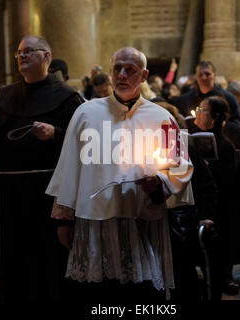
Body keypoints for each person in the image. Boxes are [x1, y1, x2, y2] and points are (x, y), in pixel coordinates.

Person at [46, 47, 193, 302]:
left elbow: (180, 165)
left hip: (141, 218)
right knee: (98, 291)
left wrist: (159, 184)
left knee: (140, 291)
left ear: (144, 75)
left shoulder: (162, 117)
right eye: (117, 69)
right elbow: (69, 167)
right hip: (94, 220)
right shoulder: (86, 113)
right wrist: (63, 219)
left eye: (131, 70)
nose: (122, 75)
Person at [0, 35, 84, 300]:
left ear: (46, 57)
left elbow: (85, 143)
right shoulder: (6, 95)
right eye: (19, 52)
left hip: (49, 190)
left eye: (29, 51)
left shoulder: (67, 97)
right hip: (11, 192)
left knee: (49, 255)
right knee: (14, 254)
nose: (22, 56)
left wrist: (55, 133)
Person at [191, 96, 240, 295]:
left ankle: (220, 280)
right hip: (206, 204)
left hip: (223, 205)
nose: (198, 113)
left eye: (202, 110)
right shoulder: (195, 140)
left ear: (214, 117)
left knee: (219, 250)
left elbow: (226, 177)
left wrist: (206, 168)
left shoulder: (225, 144)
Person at [170, 61, 240, 125]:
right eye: (200, 75)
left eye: (207, 74)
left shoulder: (228, 98)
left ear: (214, 75)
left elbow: (236, 124)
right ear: (195, 77)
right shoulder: (184, 100)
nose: (204, 78)